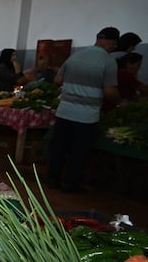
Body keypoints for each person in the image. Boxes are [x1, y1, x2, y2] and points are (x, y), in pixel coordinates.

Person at [48, 26, 120, 193]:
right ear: (112, 43)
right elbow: (109, 91)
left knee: (59, 147)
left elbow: (58, 80)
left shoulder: (76, 56)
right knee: (79, 152)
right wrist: (120, 101)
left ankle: (53, 179)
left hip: (64, 111)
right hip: (86, 116)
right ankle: (70, 184)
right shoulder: (108, 61)